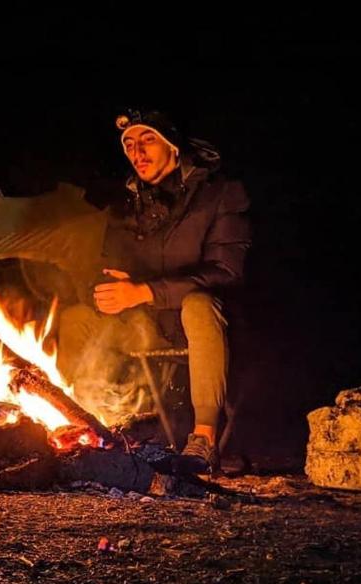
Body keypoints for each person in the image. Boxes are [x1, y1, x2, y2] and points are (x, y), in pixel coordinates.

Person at [57, 109, 251, 472]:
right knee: (77, 318)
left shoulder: (221, 194)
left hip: (209, 322)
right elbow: (104, 271)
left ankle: (204, 440)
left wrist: (145, 291)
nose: (137, 152)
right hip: (148, 326)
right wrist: (101, 288)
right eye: (129, 144)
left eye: (148, 140)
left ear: (175, 147)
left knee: (197, 304)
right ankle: (79, 427)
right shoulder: (128, 204)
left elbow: (226, 273)